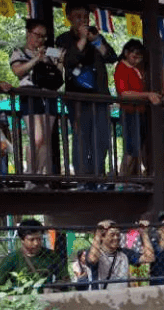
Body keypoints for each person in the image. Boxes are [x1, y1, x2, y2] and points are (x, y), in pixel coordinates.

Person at [56, 1, 118, 188]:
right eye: (78, 17)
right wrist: (82, 40)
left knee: (102, 139)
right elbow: (68, 61)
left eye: (85, 17)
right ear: (69, 18)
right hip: (77, 98)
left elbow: (111, 57)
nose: (82, 20)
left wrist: (96, 41)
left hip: (100, 97)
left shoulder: (96, 36)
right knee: (81, 138)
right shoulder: (63, 39)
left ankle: (98, 177)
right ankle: (84, 179)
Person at [10, 19, 60, 183]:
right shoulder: (18, 52)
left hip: (49, 95)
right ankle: (30, 175)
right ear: (28, 33)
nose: (40, 40)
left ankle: (41, 177)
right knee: (36, 138)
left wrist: (59, 62)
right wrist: (36, 59)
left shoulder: (49, 52)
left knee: (46, 138)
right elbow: (18, 71)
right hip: (30, 94)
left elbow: (60, 71)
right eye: (37, 35)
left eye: (43, 37)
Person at [114, 39, 161, 177]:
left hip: (140, 112)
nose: (136, 60)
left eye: (139, 57)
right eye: (134, 56)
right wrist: (147, 95)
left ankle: (132, 178)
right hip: (130, 111)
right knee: (131, 149)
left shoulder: (136, 69)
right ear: (126, 53)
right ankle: (123, 179)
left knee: (138, 148)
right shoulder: (121, 68)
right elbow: (124, 93)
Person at [0, 219, 69, 289]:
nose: (36, 243)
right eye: (32, 239)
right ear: (22, 240)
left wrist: (53, 287)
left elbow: (65, 279)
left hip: (46, 300)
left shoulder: (51, 255)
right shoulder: (12, 258)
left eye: (39, 239)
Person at [86, 219, 155, 289]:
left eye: (118, 234)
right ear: (102, 237)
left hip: (120, 296)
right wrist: (98, 233)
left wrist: (144, 234)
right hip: (101, 297)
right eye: (112, 235)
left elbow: (149, 258)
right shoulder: (94, 252)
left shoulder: (125, 253)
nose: (116, 238)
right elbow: (93, 259)